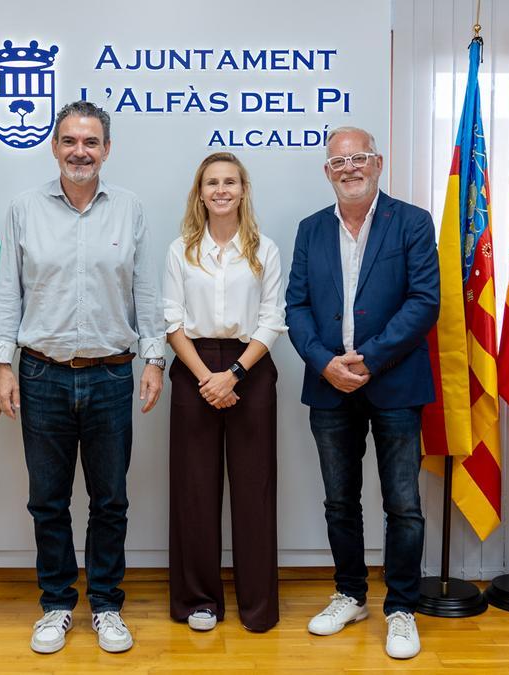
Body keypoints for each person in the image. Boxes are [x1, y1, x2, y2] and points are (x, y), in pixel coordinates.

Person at [0, 101, 166, 655]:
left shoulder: (130, 208)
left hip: (112, 375)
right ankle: (57, 604)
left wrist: (155, 359)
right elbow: (8, 292)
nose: (79, 151)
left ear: (106, 149)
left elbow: (146, 290)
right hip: (42, 375)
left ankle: (107, 605)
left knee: (111, 499)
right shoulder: (24, 208)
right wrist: (2, 366)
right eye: (69, 141)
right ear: (54, 146)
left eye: (90, 142)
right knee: (48, 500)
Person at [285, 127, 439, 659]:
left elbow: (424, 301)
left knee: (403, 503)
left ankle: (401, 608)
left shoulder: (412, 222)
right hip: (329, 386)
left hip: (394, 383)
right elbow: (296, 307)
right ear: (327, 171)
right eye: (338, 161)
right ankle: (350, 594)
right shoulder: (310, 230)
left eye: (359, 158)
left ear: (378, 162)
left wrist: (369, 360)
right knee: (339, 501)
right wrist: (325, 362)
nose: (349, 168)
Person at [163, 152, 286, 633]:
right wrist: (205, 378)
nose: (220, 190)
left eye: (229, 182)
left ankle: (258, 607)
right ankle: (198, 601)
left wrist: (232, 374)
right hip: (193, 367)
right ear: (200, 192)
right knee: (195, 490)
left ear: (243, 190)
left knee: (254, 491)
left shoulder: (265, 250)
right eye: (211, 182)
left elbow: (273, 319)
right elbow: (172, 321)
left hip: (249, 368)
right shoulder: (181, 250)